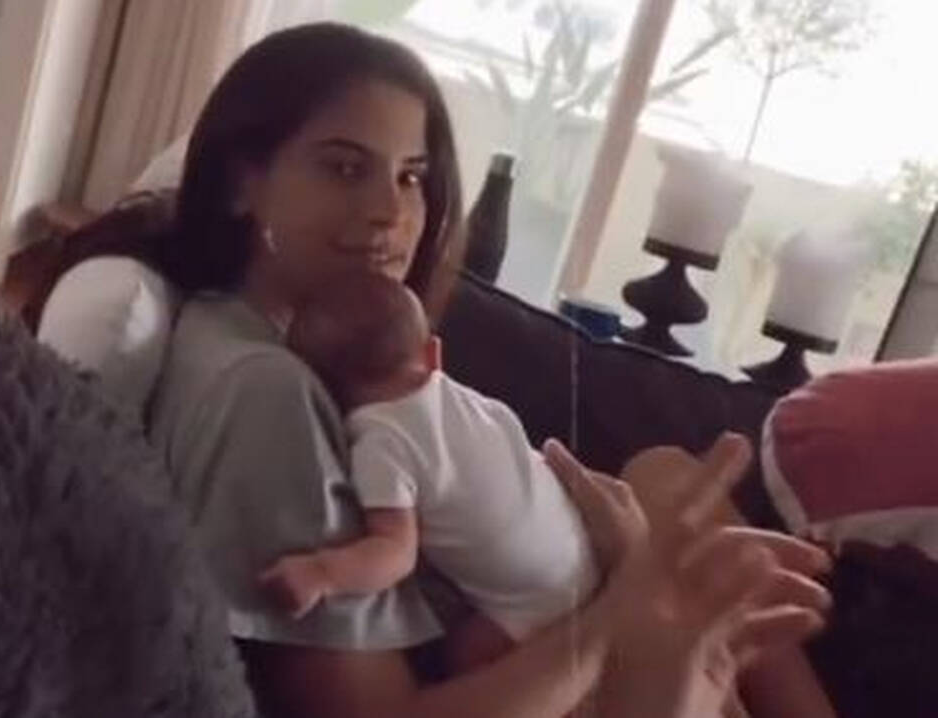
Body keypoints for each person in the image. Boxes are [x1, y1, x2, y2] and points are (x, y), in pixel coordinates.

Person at [149, 22, 834, 718]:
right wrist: (623, 606)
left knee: (663, 480)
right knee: (676, 549)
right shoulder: (268, 394)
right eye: (345, 168)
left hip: (547, 620)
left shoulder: (303, 349)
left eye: (412, 177)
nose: (390, 212)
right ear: (240, 183)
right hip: (550, 659)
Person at [260, 273, 599, 669]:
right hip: (582, 546)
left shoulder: (381, 442)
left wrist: (322, 573)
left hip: (535, 602)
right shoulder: (467, 400)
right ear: (434, 354)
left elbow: (395, 554)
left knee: (460, 658)